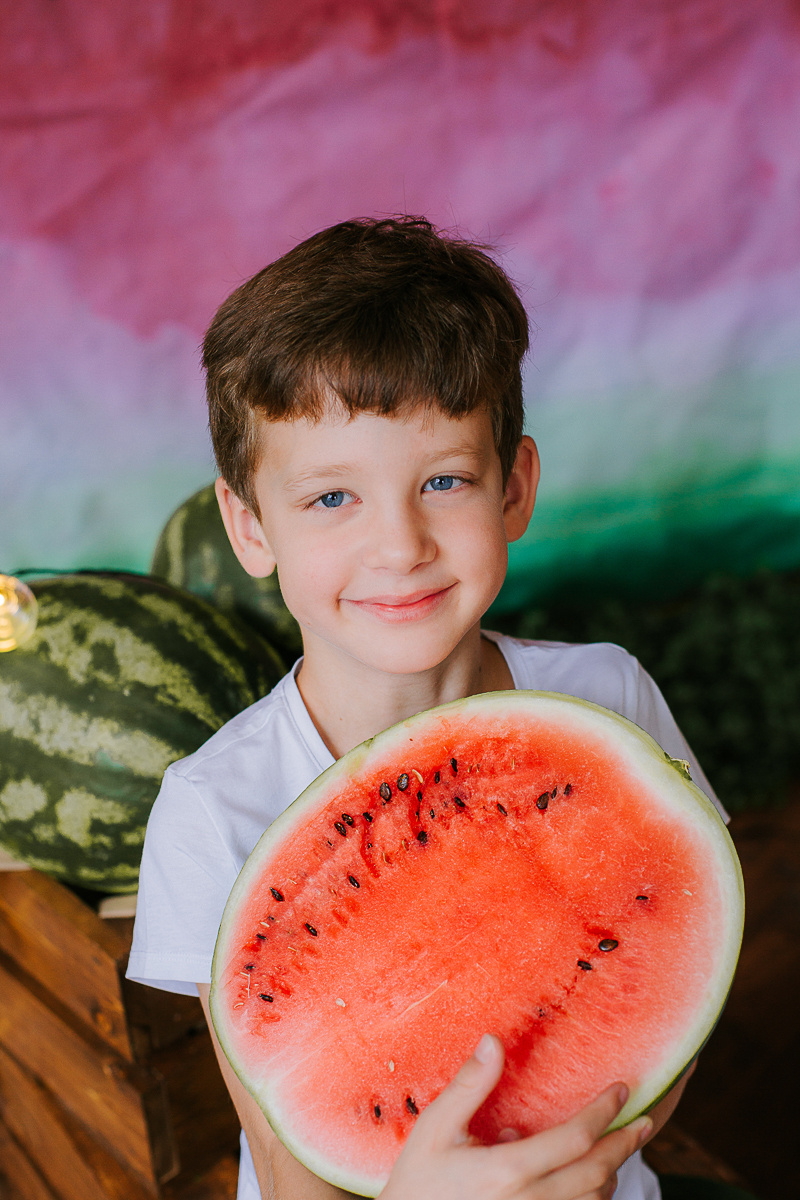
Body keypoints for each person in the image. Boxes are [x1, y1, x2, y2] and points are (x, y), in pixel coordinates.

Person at [127, 215, 723, 1200]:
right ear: (248, 527)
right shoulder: (215, 806)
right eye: (331, 499)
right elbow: (286, 1149)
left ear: (513, 490)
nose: (398, 543)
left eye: (442, 479)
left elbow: (676, 971)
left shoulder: (606, 697)